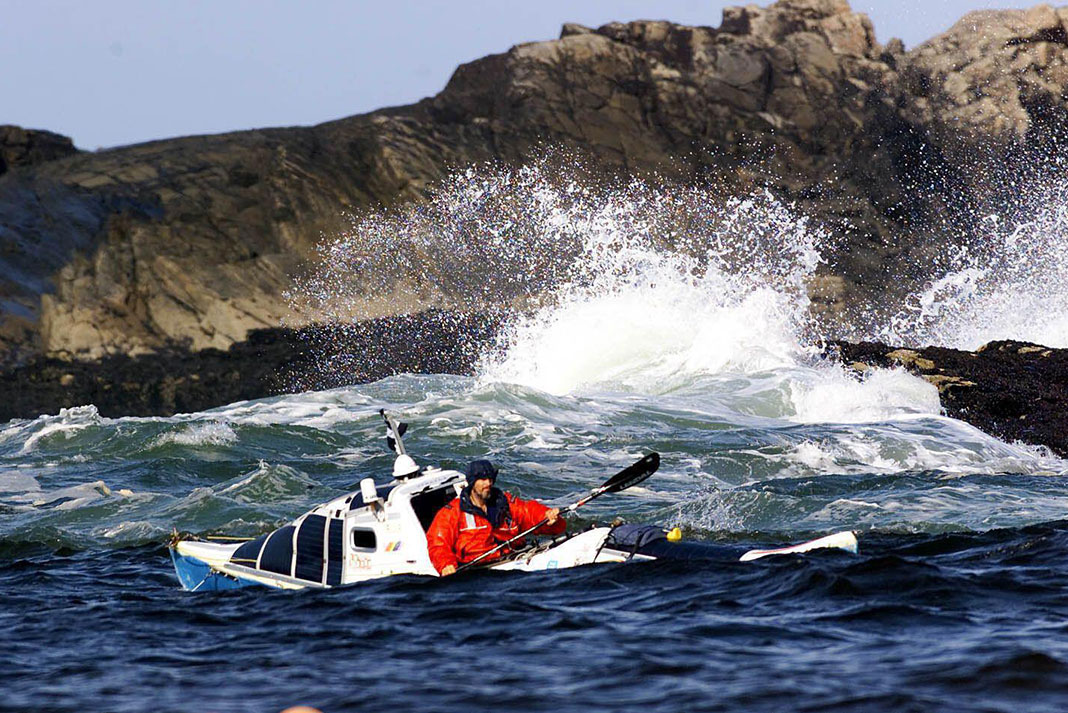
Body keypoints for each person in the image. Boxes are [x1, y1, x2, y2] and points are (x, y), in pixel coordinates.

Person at [427, 459, 566, 576]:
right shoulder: (451, 513)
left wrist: (549, 517)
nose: (488, 483)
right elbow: (438, 545)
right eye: (482, 479)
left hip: (515, 562)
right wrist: (446, 565)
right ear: (472, 483)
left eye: (490, 479)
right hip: (477, 573)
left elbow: (529, 513)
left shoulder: (505, 502)